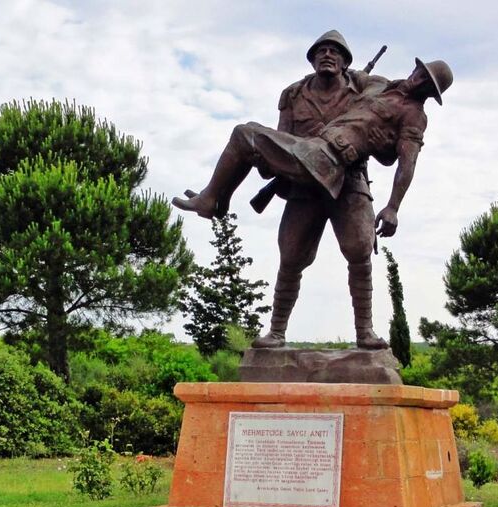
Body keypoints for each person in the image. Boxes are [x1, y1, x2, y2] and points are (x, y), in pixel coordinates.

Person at [173, 49, 453, 349]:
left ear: (430, 93)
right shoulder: (375, 85)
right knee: (291, 254)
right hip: (312, 164)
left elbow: (406, 162)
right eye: (419, 72)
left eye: (426, 81)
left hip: (345, 172)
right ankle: (277, 332)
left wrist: (393, 206)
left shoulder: (414, 116)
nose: (417, 79)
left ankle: (365, 332)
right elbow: (343, 73)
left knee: (359, 248)